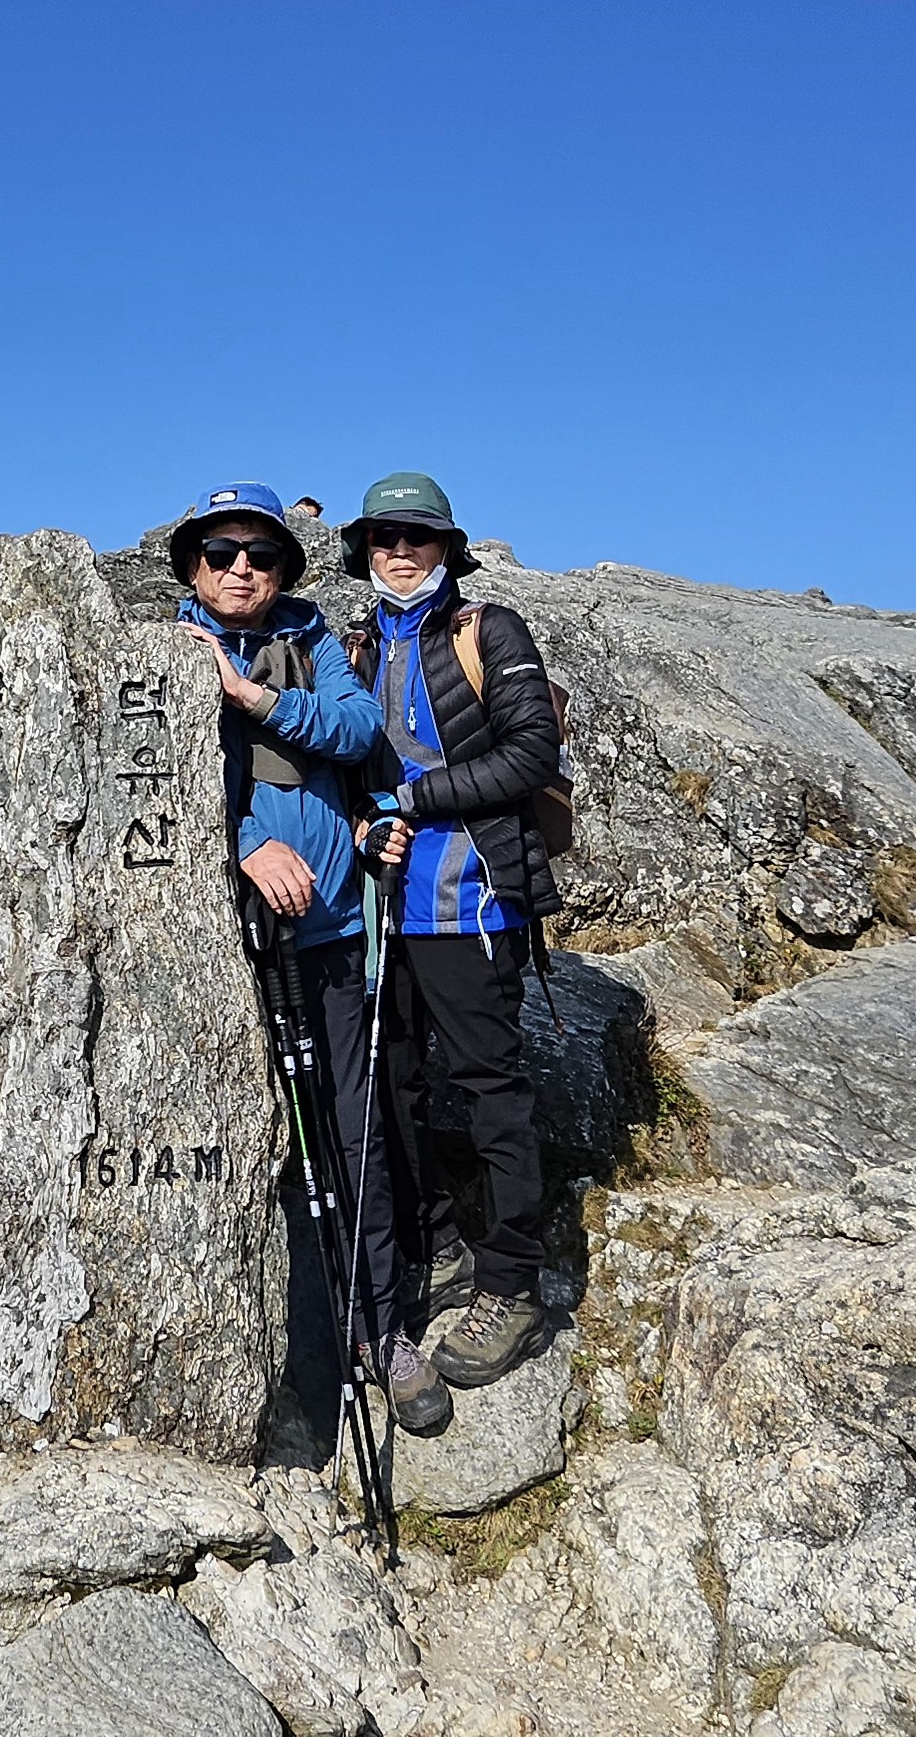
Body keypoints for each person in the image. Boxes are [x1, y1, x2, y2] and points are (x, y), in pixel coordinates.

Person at [165, 483, 450, 1434]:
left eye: (260, 554)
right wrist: (246, 842)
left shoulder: (314, 637)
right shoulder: (162, 653)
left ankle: (380, 1329)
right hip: (227, 948)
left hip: (333, 933)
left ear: (285, 568)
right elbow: (170, 787)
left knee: (354, 1134)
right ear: (193, 566)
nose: (240, 568)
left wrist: (250, 695)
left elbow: (359, 730)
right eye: (220, 553)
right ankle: (264, 1341)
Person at [341, 471, 563, 1391]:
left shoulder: (488, 630)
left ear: (448, 549)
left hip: (472, 902)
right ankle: (437, 1247)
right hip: (383, 911)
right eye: (384, 538)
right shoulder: (355, 645)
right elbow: (347, 774)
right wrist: (366, 822)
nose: (401, 552)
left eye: (418, 537)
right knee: (392, 1089)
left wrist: (416, 797)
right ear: (363, 552)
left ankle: (513, 1283)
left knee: (488, 1093)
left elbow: (531, 751)